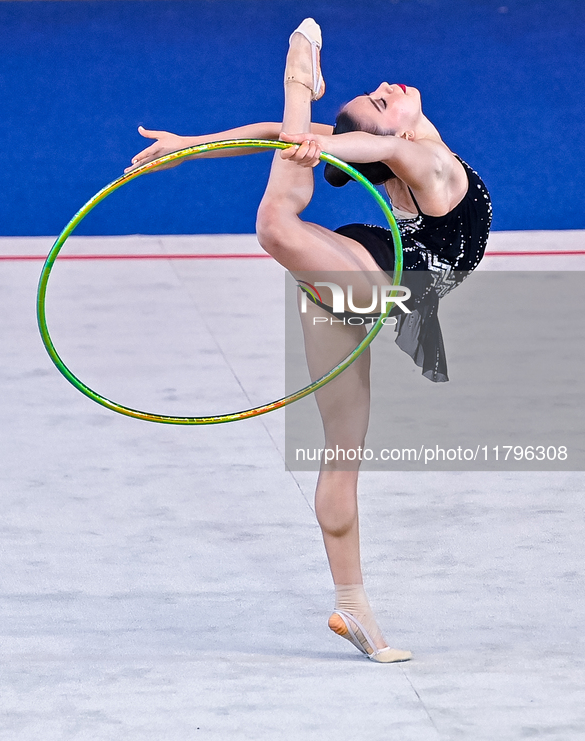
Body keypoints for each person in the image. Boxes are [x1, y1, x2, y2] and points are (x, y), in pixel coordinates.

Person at [126, 18, 491, 663]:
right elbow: (280, 138)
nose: (386, 84)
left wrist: (302, 102)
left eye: (381, 95)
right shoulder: (410, 151)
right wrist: (187, 145)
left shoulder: (422, 159)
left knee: (278, 221)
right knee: (340, 449)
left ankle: (302, 76)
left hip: (383, 285)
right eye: (381, 101)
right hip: (361, 278)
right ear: (396, 129)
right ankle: (353, 606)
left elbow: (301, 139)